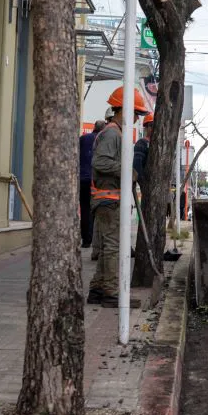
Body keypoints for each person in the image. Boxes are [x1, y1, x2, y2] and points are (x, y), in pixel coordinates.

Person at [87, 86, 150, 308]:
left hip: (108, 199)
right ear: (123, 109)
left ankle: (97, 289)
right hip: (108, 199)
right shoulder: (112, 133)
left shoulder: (115, 132)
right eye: (135, 113)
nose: (136, 118)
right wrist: (126, 169)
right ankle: (112, 294)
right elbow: (100, 162)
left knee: (107, 248)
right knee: (113, 247)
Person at [79, 120, 105, 248]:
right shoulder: (102, 140)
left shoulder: (83, 139)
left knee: (84, 208)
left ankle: (85, 239)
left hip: (82, 179)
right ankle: (93, 239)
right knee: (95, 210)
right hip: (95, 180)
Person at [133, 113, 153, 185]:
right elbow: (137, 166)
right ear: (146, 127)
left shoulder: (161, 145)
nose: (154, 128)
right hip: (148, 184)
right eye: (151, 125)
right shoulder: (142, 143)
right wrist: (143, 184)